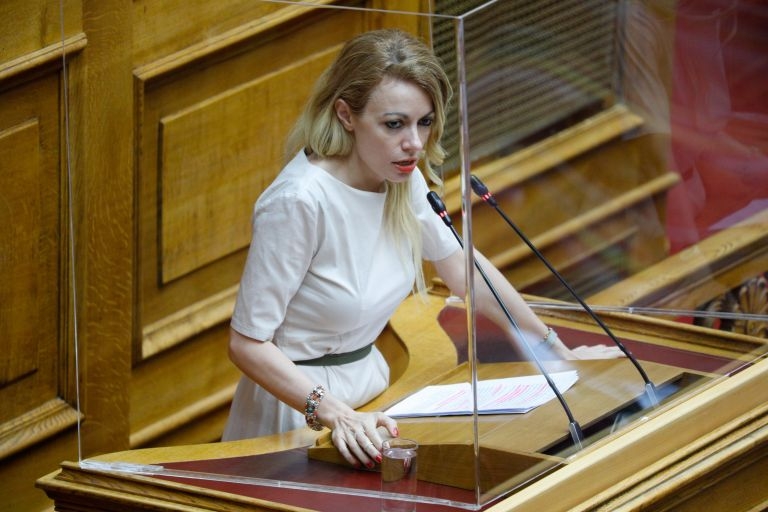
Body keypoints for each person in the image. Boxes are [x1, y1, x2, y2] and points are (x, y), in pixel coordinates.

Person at [222, 28, 600, 469]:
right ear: (345, 114)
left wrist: (554, 349)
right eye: (394, 124)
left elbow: (465, 271)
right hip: (294, 412)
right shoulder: (298, 202)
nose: (415, 144)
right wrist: (336, 414)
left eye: (424, 122)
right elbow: (247, 344)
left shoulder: (402, 177)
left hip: (374, 396)